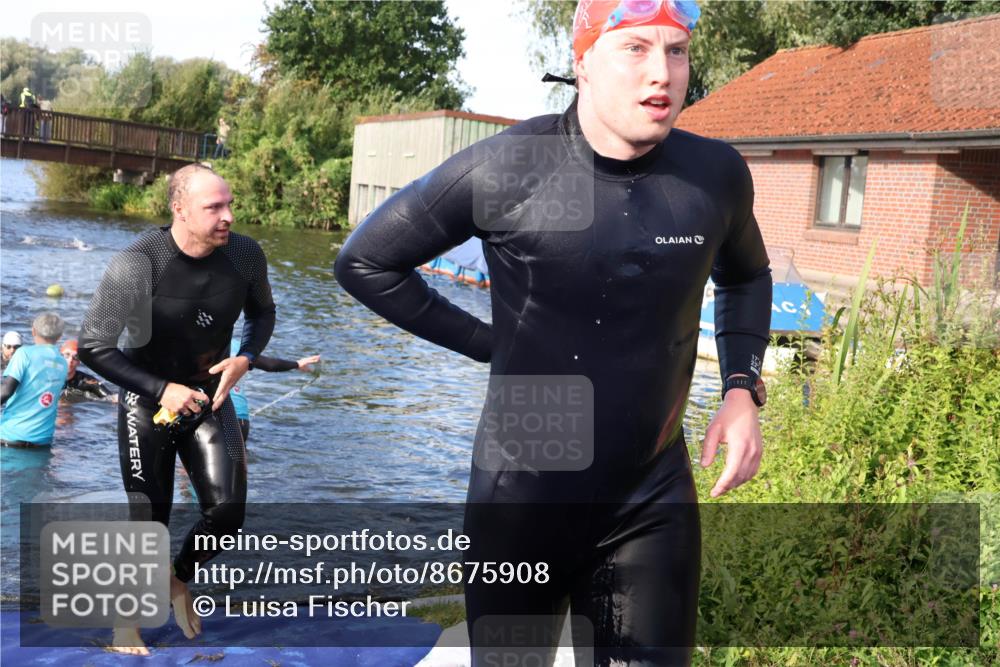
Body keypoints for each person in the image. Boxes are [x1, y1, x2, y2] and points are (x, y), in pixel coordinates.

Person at [334, 0, 771, 664]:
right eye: (636, 49)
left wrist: (740, 389)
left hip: (650, 496)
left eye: (676, 51)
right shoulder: (511, 167)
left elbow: (746, 278)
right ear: (585, 62)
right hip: (523, 499)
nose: (662, 72)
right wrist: (489, 344)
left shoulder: (713, 177)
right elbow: (366, 260)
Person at [78, 163, 276, 655]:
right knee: (149, 519)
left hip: (210, 396)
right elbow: (93, 346)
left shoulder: (246, 256)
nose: (228, 215)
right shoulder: (138, 261)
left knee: (228, 514)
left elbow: (263, 312)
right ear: (179, 208)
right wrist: (160, 387)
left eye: (230, 204)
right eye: (214, 207)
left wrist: (246, 357)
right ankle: (126, 625)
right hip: (147, 401)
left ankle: (176, 578)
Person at [227, 337, 320, 442]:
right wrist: (297, 364)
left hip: (216, 415)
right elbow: (270, 365)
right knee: (238, 457)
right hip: (241, 418)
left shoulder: (209, 345)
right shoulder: (240, 347)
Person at [1, 313, 68, 447]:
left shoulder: (23, 354)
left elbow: (6, 392)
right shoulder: (63, 363)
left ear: (33, 331)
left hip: (10, 437)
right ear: (60, 336)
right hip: (42, 442)